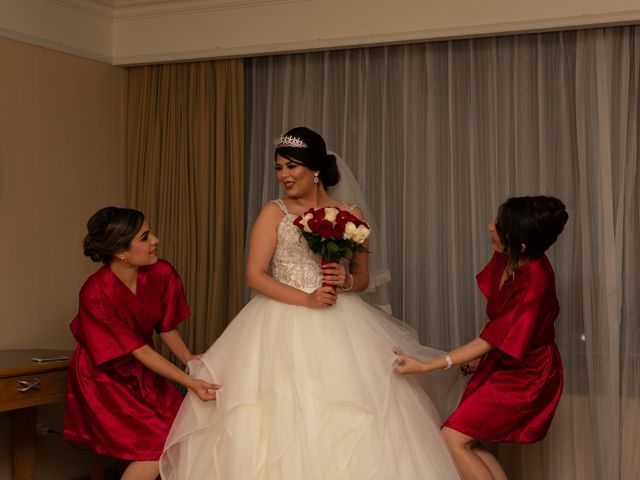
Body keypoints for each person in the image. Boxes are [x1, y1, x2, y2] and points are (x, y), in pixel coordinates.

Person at [160, 127, 462, 479]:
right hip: (279, 321)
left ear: (315, 169)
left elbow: (361, 279)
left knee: (356, 412)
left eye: (291, 167)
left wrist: (344, 280)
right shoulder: (274, 212)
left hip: (343, 323)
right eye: (279, 168)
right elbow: (255, 276)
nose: (284, 176)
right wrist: (306, 299)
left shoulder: (350, 212)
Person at [396, 196, 569, 480]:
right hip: (503, 360)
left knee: (452, 437)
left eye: (499, 225)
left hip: (527, 375)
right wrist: (479, 356)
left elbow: (492, 338)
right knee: (464, 438)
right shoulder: (510, 255)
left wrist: (427, 365)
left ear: (520, 243)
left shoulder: (535, 281)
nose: (490, 226)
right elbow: (498, 323)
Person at [63, 207, 219, 480]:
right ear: (120, 252)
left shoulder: (160, 272)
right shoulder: (96, 294)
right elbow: (139, 349)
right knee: (156, 447)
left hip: (144, 370)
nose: (155, 240)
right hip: (106, 379)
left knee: (180, 434)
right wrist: (189, 381)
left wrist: (189, 358)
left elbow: (165, 325)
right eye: (145, 237)